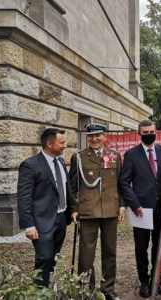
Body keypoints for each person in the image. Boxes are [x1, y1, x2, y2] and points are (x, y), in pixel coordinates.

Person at [69, 123, 125, 300]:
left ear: (105, 137)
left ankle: (108, 289)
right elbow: (72, 186)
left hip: (110, 210)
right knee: (86, 253)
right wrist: (74, 208)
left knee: (110, 251)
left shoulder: (115, 156)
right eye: (91, 136)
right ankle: (87, 289)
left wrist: (122, 206)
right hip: (88, 211)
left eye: (98, 135)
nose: (94, 139)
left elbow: (121, 184)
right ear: (87, 137)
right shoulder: (78, 158)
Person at [119, 119, 161, 298]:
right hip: (141, 209)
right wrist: (134, 204)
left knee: (160, 246)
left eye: (152, 131)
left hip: (160, 207)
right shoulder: (131, 154)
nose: (149, 134)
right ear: (139, 134)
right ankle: (144, 280)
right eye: (145, 132)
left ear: (156, 132)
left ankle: (157, 278)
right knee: (141, 247)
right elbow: (124, 182)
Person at [17, 128, 71, 286]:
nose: (65, 146)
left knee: (53, 257)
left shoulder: (60, 162)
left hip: (61, 218)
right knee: (44, 258)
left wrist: (72, 210)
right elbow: (24, 197)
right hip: (41, 222)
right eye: (62, 142)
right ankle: (40, 291)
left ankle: (47, 285)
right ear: (49, 143)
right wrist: (28, 225)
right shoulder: (30, 165)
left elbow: (66, 189)